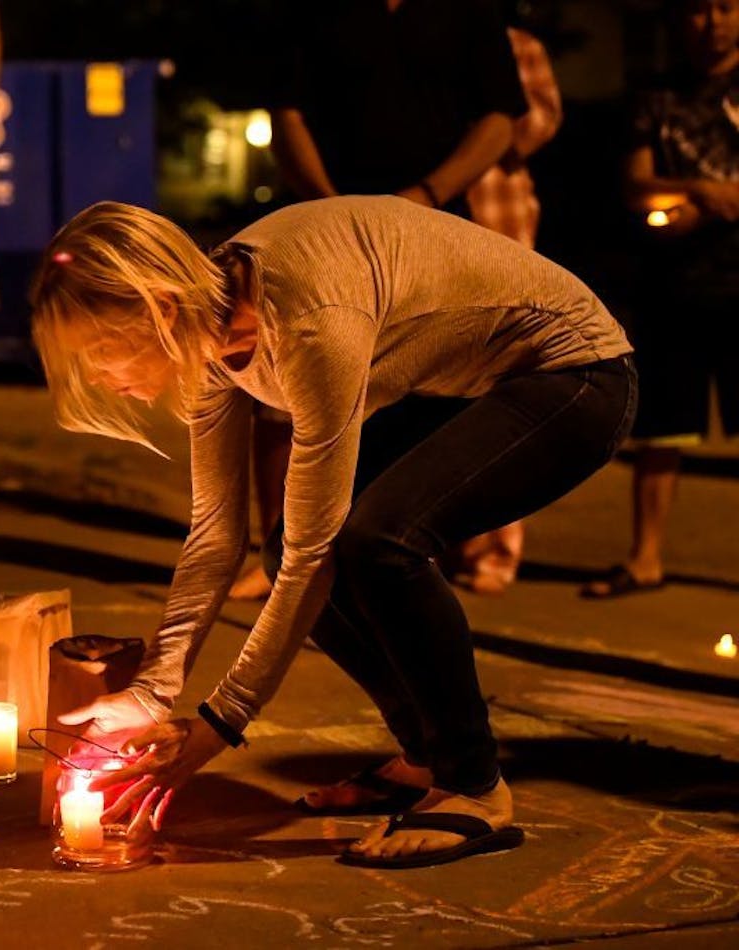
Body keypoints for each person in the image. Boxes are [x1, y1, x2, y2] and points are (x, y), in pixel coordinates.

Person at [33, 196, 635, 869]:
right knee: (284, 544)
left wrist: (216, 726)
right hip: (461, 388)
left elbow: (313, 557)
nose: (101, 378)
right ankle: (424, 756)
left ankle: (473, 787)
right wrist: (153, 689)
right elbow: (214, 532)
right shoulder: (208, 329)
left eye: (103, 350)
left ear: (159, 312)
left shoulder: (309, 323)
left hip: (575, 376)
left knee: (378, 543)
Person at [227, 0, 530, 600]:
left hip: (437, 219)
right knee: (290, 388)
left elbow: (499, 117)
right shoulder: (315, 13)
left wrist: (428, 193)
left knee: (431, 394)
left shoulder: (471, 11)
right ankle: (284, 558)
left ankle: (412, 551)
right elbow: (287, 113)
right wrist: (332, 208)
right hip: (325, 221)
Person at [581, 0, 739, 598]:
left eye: (725, 8)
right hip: (677, 281)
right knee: (662, 433)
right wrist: (702, 194)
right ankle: (645, 557)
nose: (713, 22)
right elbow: (636, 184)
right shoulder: (656, 95)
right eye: (699, 11)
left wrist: (718, 200)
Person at [454, 22, 565, 595]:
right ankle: (439, 539)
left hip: (499, 224)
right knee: (433, 395)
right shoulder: (426, 34)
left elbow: (540, 121)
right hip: (436, 223)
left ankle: (498, 546)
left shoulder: (515, 43)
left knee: (505, 392)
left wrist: (479, 130)